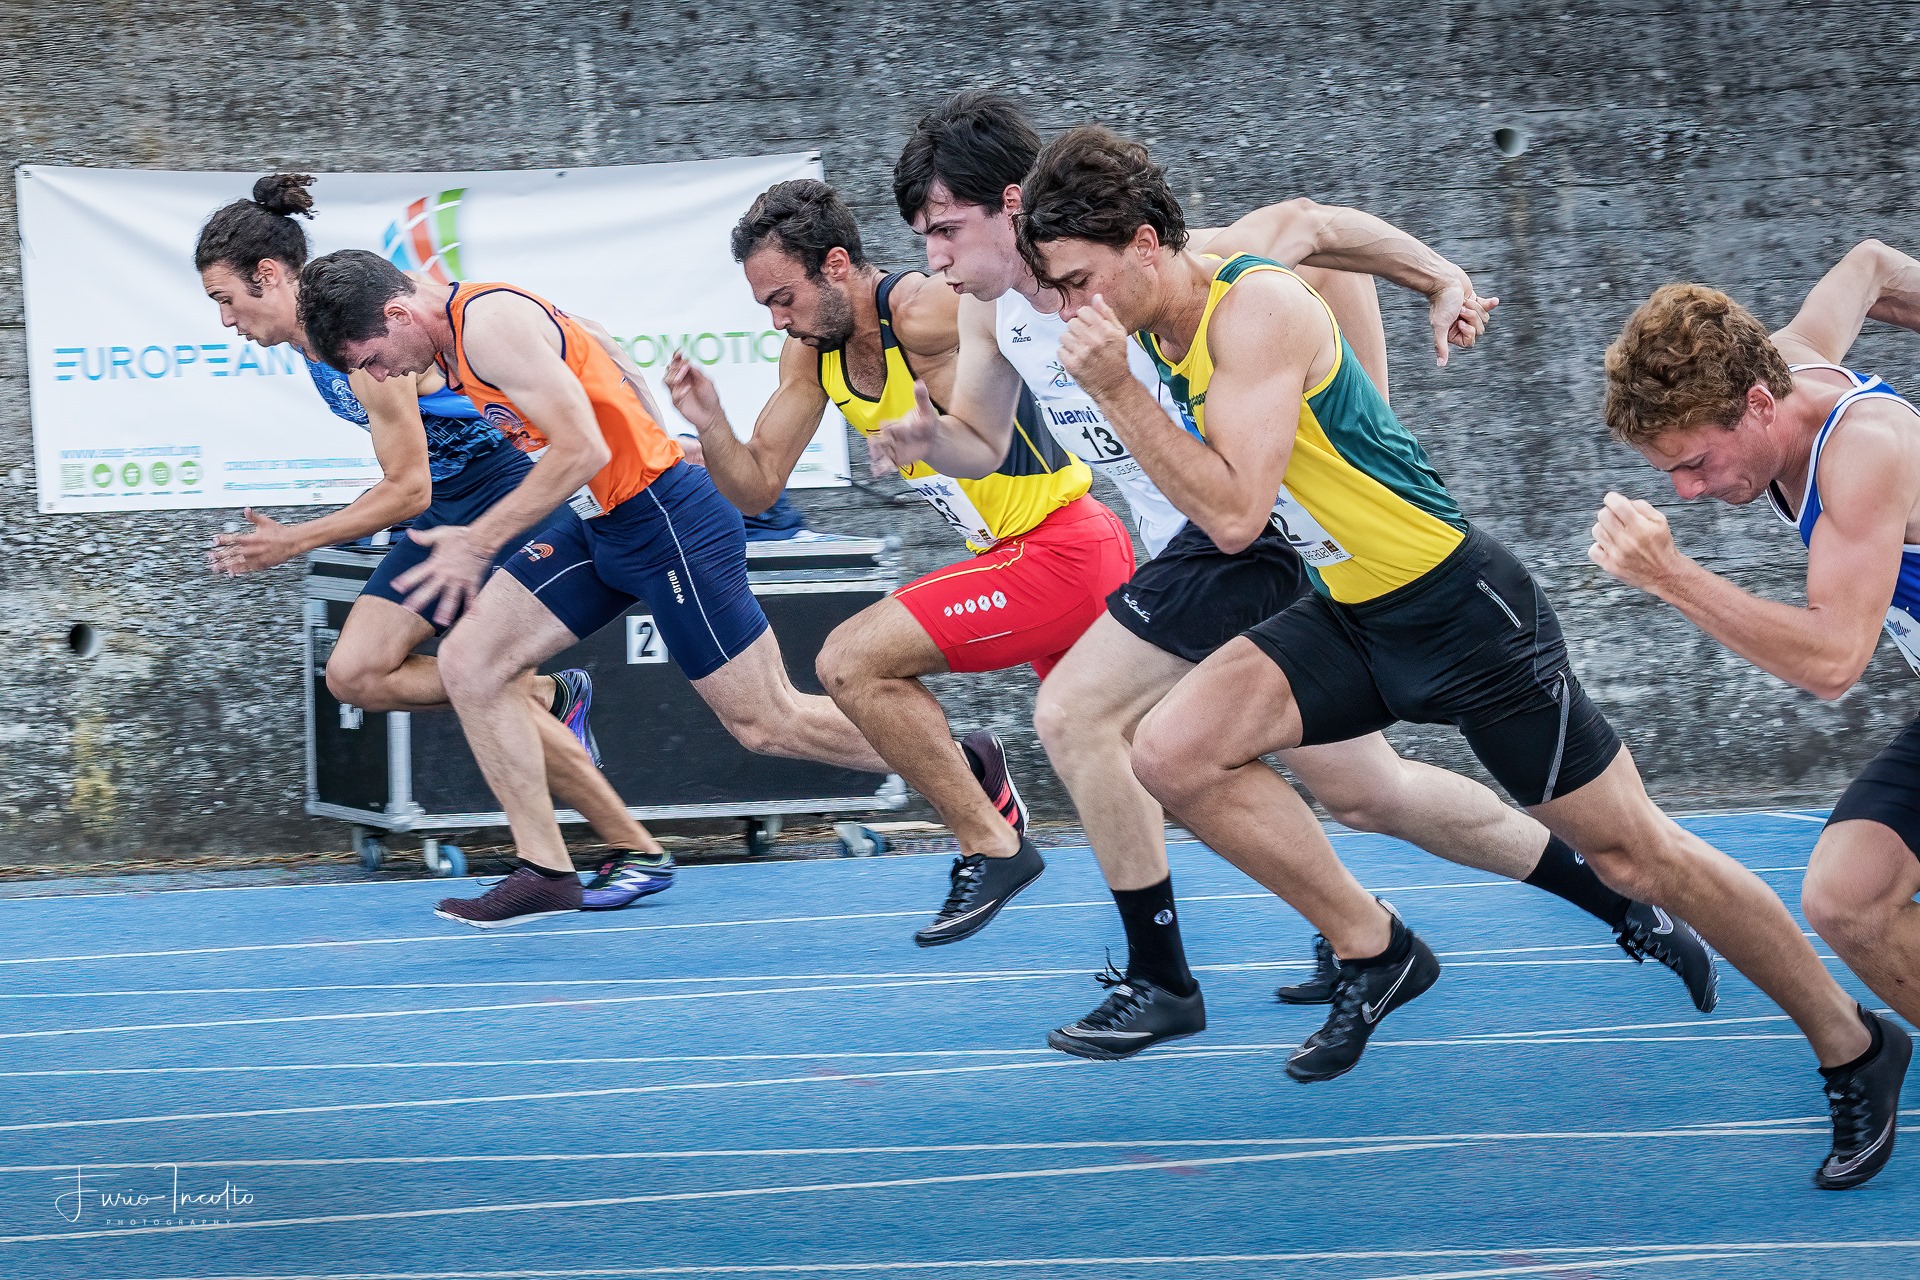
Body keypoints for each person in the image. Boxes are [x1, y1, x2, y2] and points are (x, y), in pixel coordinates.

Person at [1017, 124, 1898, 1190]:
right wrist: (1436, 275)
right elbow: (1317, 221)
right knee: (1172, 752)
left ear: (1146, 244)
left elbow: (1238, 515)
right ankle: (1374, 946)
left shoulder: (1252, 307)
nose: (1070, 310)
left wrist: (1116, 388)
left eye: (1079, 282)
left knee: (1639, 856)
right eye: (1057, 290)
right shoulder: (1166, 302)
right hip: (1348, 609)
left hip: (1460, 609)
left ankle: (1852, 1042)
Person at [871, 92, 1716, 1059]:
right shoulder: (993, 318)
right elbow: (983, 441)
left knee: (1078, 712)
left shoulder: (1162, 266)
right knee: (1369, 792)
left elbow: (1313, 229)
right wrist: (927, 439)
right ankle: (1615, 904)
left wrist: (1439, 280)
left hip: (1245, 537)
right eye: (923, 237)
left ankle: (1170, 976)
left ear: (1014, 207)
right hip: (1200, 547)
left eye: (946, 229)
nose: (933, 257)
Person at [295, 249, 897, 927]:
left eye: (372, 359)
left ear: (398, 313)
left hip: (667, 520)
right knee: (471, 664)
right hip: (599, 525)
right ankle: (545, 872)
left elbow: (584, 449)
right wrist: (649, 424)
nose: (380, 377)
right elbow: (600, 341)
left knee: (764, 723)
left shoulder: (486, 324)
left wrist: (479, 540)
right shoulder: (459, 334)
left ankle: (956, 760)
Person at [664, 178, 1130, 948]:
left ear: (835, 264)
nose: (779, 320)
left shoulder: (926, 308)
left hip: (1062, 546)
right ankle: (1320, 939)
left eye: (785, 299)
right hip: (1020, 560)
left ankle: (992, 844)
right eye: (767, 308)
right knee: (1162, 768)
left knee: (850, 661)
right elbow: (757, 486)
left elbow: (1043, 293)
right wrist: (711, 426)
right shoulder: (811, 356)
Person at [193, 174, 670, 909]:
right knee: (356, 673)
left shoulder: (353, 340)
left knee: (484, 676)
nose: (226, 320)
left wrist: (294, 541)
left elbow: (407, 489)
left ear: (270, 275)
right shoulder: (320, 338)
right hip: (444, 503)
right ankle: (550, 695)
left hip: (500, 493)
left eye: (226, 299)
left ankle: (631, 848)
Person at [1595, 241, 1920, 1187]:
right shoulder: (1786, 359)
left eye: (1696, 463)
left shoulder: (1865, 448)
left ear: (1758, 405)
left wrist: (1672, 576)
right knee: (1846, 897)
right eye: (1669, 472)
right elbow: (1870, 266)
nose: (1688, 492)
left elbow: (1833, 661)